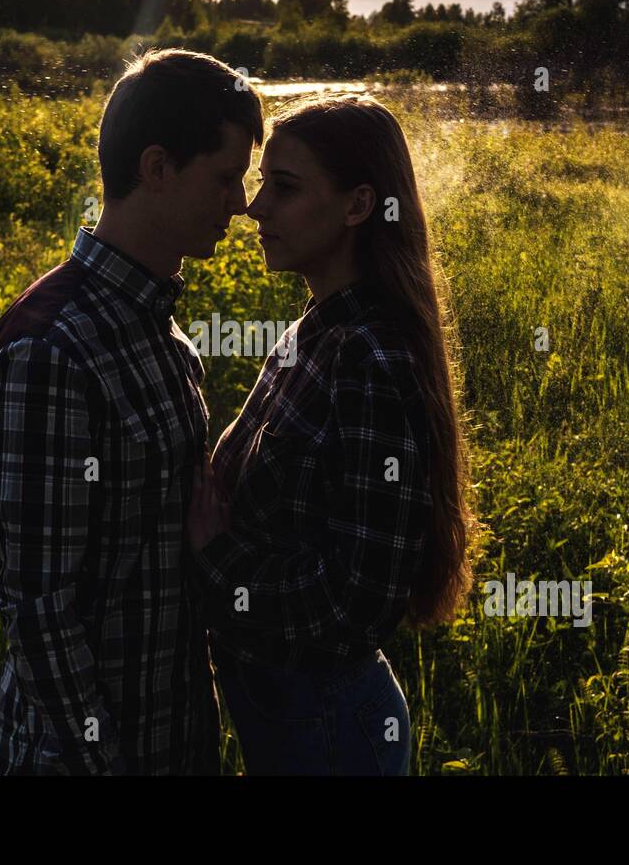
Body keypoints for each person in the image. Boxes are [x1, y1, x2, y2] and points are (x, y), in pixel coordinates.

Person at [0, 48, 262, 774]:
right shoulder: (54, 351)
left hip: (176, 739)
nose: (242, 203)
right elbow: (37, 606)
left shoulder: (163, 334)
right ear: (157, 168)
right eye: (225, 178)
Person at [185, 93, 479, 775]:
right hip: (292, 713)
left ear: (356, 206)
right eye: (261, 183)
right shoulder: (315, 331)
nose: (255, 208)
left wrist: (216, 561)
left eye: (283, 188)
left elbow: (356, 601)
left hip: (329, 726)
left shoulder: (369, 358)